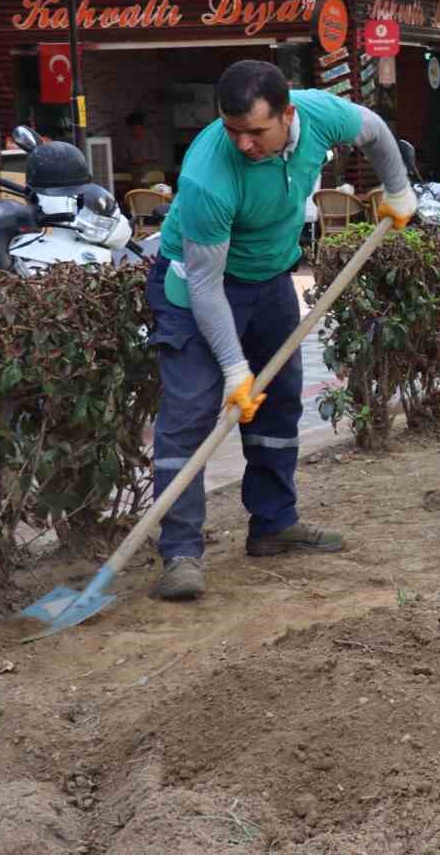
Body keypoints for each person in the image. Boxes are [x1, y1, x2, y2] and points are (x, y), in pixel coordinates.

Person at [147, 60, 416, 601]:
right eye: (233, 131)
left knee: (279, 402)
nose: (244, 143)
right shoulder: (207, 176)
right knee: (189, 416)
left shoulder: (320, 113)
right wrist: (233, 367)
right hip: (196, 288)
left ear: (288, 114)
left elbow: (379, 132)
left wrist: (399, 189)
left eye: (256, 131)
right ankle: (180, 553)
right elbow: (204, 285)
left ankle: (273, 524)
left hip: (270, 278)